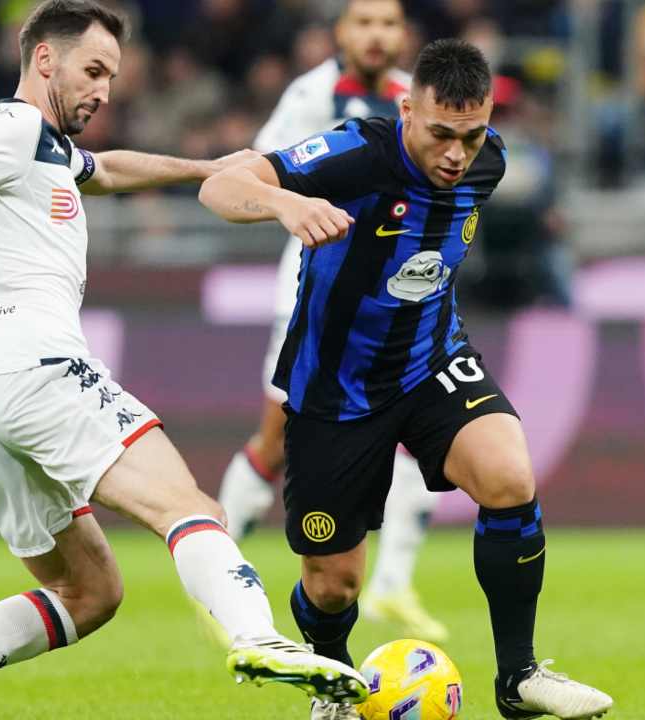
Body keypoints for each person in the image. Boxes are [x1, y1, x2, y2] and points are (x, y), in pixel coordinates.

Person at [0, 3, 366, 718]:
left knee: (88, 592)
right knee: (189, 507)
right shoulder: (12, 127)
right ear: (44, 59)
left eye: (110, 75)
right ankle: (257, 637)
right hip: (37, 369)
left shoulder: (47, 149)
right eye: (92, 71)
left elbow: (107, 170)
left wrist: (205, 167)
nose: (104, 91)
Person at [199, 39, 615, 720]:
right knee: (333, 585)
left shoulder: (490, 161)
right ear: (406, 111)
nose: (457, 154)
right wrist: (283, 205)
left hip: (430, 363)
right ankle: (333, 682)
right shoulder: (355, 154)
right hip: (335, 388)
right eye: (441, 134)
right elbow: (219, 186)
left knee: (509, 477)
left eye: (471, 136)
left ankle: (519, 678)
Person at [216, 0, 450, 645]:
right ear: (341, 32)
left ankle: (392, 585)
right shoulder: (311, 96)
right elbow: (254, 177)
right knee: (276, 440)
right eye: (364, 22)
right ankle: (218, 571)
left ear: (403, 35)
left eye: (388, 23)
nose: (376, 35)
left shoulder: (415, 101)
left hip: (393, 295)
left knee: (413, 431)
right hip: (314, 290)